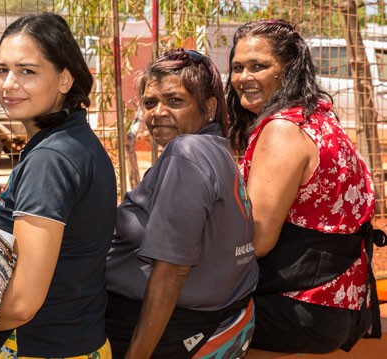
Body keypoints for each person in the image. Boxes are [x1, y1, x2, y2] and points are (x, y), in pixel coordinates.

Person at [226, 20, 379, 353]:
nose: (243, 77)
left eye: (258, 66)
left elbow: (258, 240)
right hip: (340, 302)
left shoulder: (282, 129)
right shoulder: (320, 119)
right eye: (237, 67)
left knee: (178, 322)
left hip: (299, 306)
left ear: (289, 68)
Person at [105, 49, 258, 359]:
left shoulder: (187, 152)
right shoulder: (217, 150)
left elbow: (172, 271)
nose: (158, 112)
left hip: (170, 330)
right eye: (150, 103)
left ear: (210, 107)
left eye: (175, 101)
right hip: (215, 315)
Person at [0, 13, 117, 358]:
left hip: (42, 349)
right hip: (81, 341)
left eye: (27, 71)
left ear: (64, 80)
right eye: (2, 70)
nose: (8, 84)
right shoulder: (77, 142)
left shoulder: (50, 159)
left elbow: (22, 303)